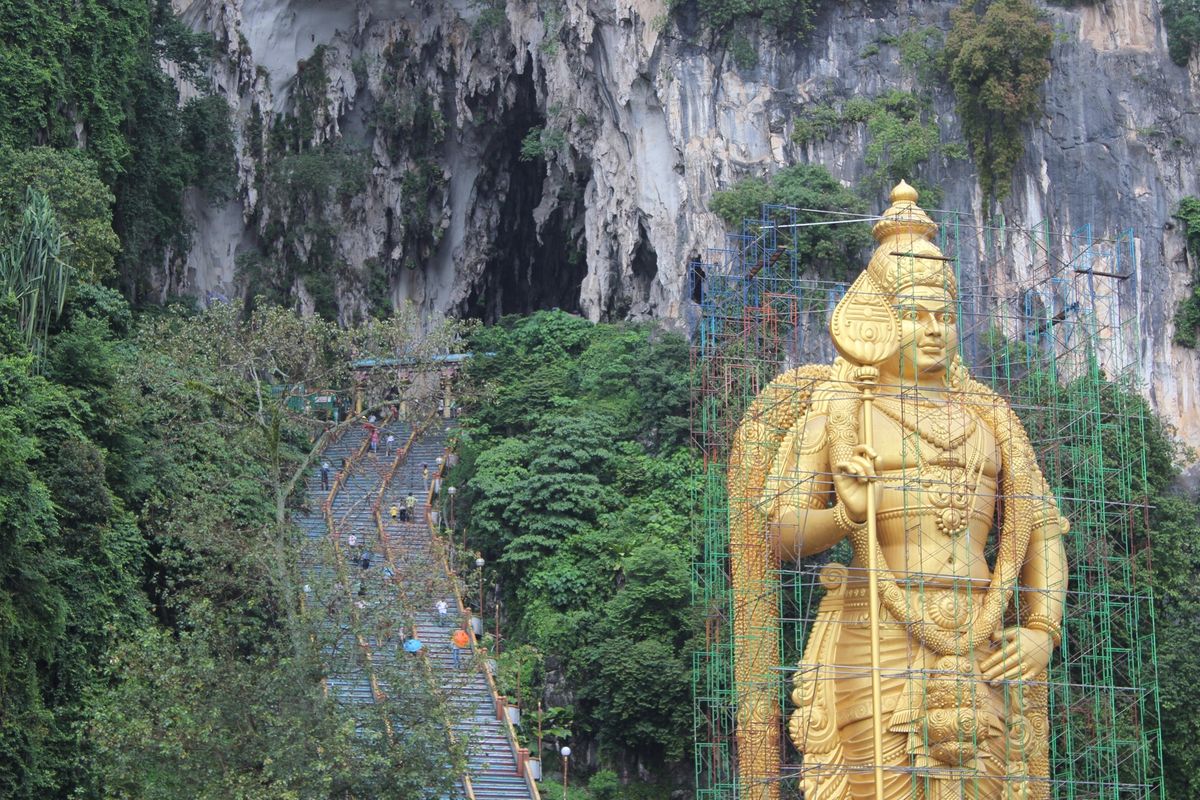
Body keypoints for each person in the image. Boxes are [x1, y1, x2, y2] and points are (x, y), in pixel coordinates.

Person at [732, 182, 1068, 800]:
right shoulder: (840, 409)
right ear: (882, 318)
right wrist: (843, 517)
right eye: (915, 314)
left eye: (944, 315)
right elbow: (779, 531)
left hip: (978, 636)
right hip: (872, 629)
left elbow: (1041, 527)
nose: (934, 330)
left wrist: (1043, 625)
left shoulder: (993, 418)